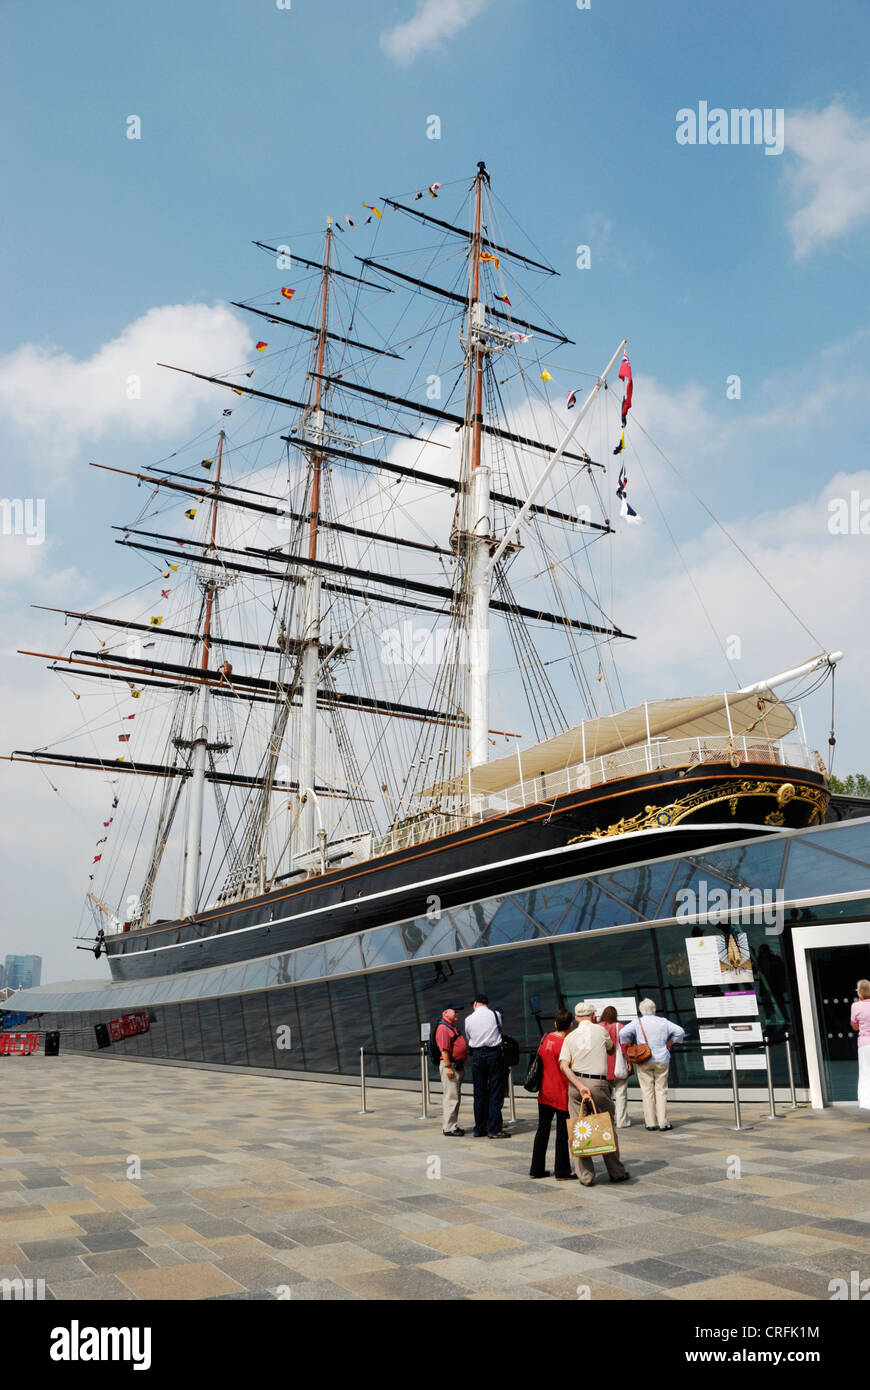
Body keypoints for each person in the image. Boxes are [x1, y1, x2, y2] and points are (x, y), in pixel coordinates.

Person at [559, 1002, 629, 1186]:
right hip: (598, 1083)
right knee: (606, 1124)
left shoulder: (570, 1037)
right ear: (593, 1016)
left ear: (575, 1018)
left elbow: (563, 1065)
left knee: (578, 1129)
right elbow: (611, 1048)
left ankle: (586, 1176)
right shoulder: (600, 1031)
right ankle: (616, 1172)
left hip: (575, 1085)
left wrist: (579, 1085)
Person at [620, 999, 685, 1131]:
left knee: (647, 1091)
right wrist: (670, 1043)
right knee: (661, 1091)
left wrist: (630, 1042)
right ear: (654, 1009)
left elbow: (622, 1033)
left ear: (641, 1010)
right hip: (662, 1059)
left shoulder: (638, 1022)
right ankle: (663, 1122)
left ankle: (650, 1123)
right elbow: (680, 1031)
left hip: (644, 1059)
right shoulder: (663, 1021)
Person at [529, 1008, 577, 1181]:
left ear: (555, 1023)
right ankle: (562, 1171)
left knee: (542, 1130)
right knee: (562, 1134)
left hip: (545, 1092)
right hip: (561, 1093)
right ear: (571, 1025)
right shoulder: (566, 1044)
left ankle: (536, 1168)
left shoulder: (546, 1038)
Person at [464, 995, 510, 1138]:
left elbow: (469, 1037)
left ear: (476, 1004)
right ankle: (494, 1129)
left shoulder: (468, 1019)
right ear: (486, 1004)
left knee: (479, 1094)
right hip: (493, 1054)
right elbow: (500, 1029)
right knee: (495, 1092)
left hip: (477, 1055)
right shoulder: (495, 1015)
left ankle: (479, 1128)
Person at [435, 1005, 468, 1136]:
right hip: (450, 1066)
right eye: (454, 1011)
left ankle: (453, 1125)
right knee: (451, 1097)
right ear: (445, 1012)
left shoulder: (451, 1027)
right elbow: (444, 1050)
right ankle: (449, 1128)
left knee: (455, 1096)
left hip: (456, 1065)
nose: (457, 1014)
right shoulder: (443, 1028)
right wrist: (448, 1067)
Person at [600, 1006, 632, 1127]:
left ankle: (608, 1120)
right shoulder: (620, 1027)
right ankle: (621, 1121)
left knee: (605, 1097)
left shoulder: (598, 1027)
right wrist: (628, 1062)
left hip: (602, 1067)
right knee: (621, 1095)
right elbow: (624, 1048)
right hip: (618, 1066)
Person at [850, 979, 870, 1111]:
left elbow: (854, 1026)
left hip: (864, 1045)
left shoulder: (855, 1006)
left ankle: (867, 1103)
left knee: (866, 1074)